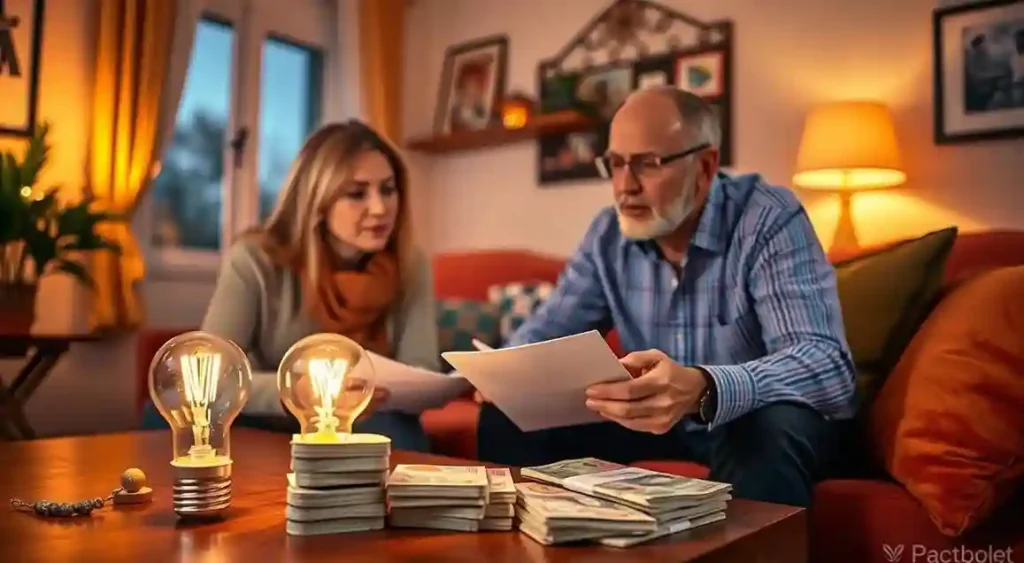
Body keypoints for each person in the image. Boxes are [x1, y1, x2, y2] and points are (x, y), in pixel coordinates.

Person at [474, 87, 856, 507]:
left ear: (706, 166)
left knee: (765, 430)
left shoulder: (767, 219)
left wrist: (707, 387)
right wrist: (503, 373)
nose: (625, 187)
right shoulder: (608, 234)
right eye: (616, 164)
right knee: (507, 417)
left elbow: (826, 365)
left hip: (748, 420)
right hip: (656, 421)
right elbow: (551, 329)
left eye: (648, 164)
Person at [141, 121, 440, 452]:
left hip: (358, 414)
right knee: (167, 410)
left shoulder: (410, 264)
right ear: (317, 201)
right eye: (357, 193)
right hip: (268, 413)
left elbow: (422, 368)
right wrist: (294, 392)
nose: (380, 208)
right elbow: (212, 376)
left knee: (398, 430)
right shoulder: (255, 259)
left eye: (388, 189)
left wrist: (385, 390)